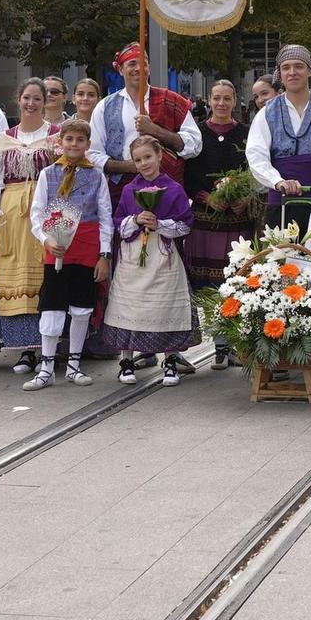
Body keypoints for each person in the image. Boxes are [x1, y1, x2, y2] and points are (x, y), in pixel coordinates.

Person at [23, 117, 113, 390]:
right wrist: (46, 239)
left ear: (88, 144)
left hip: (87, 245)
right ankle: (46, 367)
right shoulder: (48, 173)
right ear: (60, 142)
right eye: (69, 139)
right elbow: (37, 212)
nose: (74, 144)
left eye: (80, 140)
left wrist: (104, 255)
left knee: (82, 307)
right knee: (52, 305)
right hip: (57, 244)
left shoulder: (97, 174)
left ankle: (74, 365)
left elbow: (106, 216)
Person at [101, 135, 197, 385]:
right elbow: (117, 223)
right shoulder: (129, 190)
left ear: (159, 156)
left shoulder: (174, 189)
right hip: (133, 256)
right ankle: (126, 360)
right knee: (130, 305)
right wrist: (135, 220)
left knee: (164, 308)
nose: (144, 163)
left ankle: (170, 360)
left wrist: (160, 224)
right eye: (138, 160)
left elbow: (185, 224)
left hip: (163, 256)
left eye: (148, 157)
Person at [0, 78, 61, 371]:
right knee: (17, 280)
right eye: (26, 98)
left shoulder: (55, 135)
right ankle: (26, 350)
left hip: (46, 212)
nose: (31, 104)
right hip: (12, 214)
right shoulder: (3, 139)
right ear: (18, 100)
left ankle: (49, 347)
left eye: (37, 99)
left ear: (45, 102)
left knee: (46, 276)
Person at [184, 79, 254, 366]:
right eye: (217, 98)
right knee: (211, 285)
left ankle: (235, 342)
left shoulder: (247, 134)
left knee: (236, 280)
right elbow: (187, 175)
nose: (222, 104)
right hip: (207, 219)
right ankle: (219, 346)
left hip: (237, 221)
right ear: (209, 101)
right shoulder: (197, 135)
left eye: (227, 98)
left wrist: (246, 196)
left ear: (235, 100)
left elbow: (255, 168)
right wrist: (206, 197)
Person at [245, 45, 311, 235]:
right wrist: (277, 181)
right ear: (280, 74)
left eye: (299, 66)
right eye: (286, 67)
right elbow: (256, 156)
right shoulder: (266, 114)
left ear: (309, 70)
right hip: (281, 204)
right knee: (281, 261)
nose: (292, 72)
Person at [94, 42, 202, 193]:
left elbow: (195, 145)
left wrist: (155, 131)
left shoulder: (172, 100)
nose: (138, 69)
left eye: (143, 64)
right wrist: (129, 166)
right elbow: (93, 154)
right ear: (120, 69)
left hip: (166, 186)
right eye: (132, 64)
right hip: (121, 190)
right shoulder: (105, 107)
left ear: (149, 69)